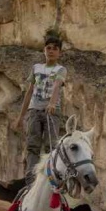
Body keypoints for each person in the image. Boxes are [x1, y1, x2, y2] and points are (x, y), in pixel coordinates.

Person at [13, 34, 68, 187]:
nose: (51, 51)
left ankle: (49, 179)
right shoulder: (36, 68)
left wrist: (51, 103)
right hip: (34, 110)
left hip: (52, 112)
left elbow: (57, 86)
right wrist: (20, 117)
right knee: (32, 145)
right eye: (48, 48)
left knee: (50, 146)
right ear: (44, 50)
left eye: (55, 49)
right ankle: (31, 180)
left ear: (59, 53)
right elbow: (29, 91)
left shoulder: (61, 69)